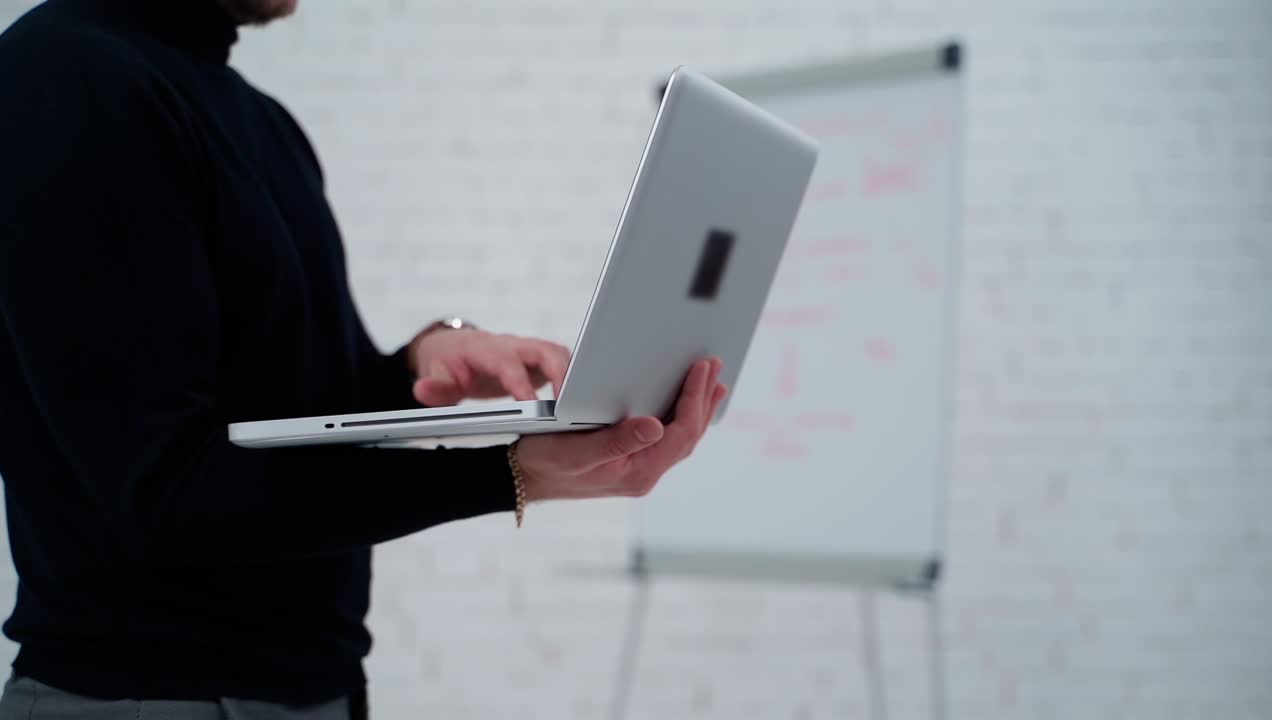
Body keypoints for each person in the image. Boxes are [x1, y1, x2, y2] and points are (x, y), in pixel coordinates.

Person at [0, 0, 727, 717]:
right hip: (148, 697)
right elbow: (167, 490)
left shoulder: (264, 122)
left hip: (310, 689)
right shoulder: (63, 75)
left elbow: (297, 418)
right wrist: (507, 474)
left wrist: (419, 364)